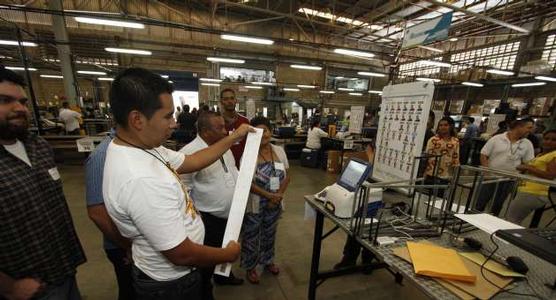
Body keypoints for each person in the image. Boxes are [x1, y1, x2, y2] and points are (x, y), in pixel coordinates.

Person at [102, 68, 252, 299]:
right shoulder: (141, 179)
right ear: (137, 120)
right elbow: (181, 254)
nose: (174, 124)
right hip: (171, 285)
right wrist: (227, 254)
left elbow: (192, 161)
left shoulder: (144, 148)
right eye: (167, 116)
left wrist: (233, 137)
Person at [0, 67, 86, 299]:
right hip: (26, 287)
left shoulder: (38, 146)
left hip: (64, 270)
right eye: (5, 100)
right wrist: (8, 287)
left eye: (23, 101)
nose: (19, 108)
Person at [179, 111, 243, 300]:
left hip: (230, 215)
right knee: (207, 262)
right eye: (220, 127)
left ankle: (223, 276)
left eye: (225, 126)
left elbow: (231, 171)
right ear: (205, 132)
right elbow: (184, 190)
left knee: (226, 250)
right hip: (208, 218)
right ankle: (206, 292)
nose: (226, 131)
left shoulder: (224, 146)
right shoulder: (189, 153)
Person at [85, 131, 135, 300]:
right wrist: (127, 246)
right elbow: (97, 212)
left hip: (139, 244)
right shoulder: (102, 156)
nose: (172, 124)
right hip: (122, 246)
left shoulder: (135, 147)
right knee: (131, 290)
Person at [242, 116, 290, 284]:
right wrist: (269, 196)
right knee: (252, 235)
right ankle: (250, 267)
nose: (264, 135)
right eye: (259, 132)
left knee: (270, 233)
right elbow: (246, 183)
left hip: (275, 201)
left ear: (271, 131)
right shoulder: (248, 154)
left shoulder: (279, 151)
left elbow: (287, 175)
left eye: (266, 131)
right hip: (257, 201)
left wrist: (278, 196)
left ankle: (268, 261)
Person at [476, 119, 535, 216]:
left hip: (509, 180)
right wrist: (486, 172)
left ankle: (490, 224)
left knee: (498, 204)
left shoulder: (527, 144)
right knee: (480, 201)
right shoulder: (497, 138)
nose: (530, 130)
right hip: (490, 178)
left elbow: (529, 162)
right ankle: (471, 221)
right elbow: (484, 154)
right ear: (519, 126)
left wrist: (523, 169)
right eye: (528, 127)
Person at [506, 129, 556, 224]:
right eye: (546, 138)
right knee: (513, 219)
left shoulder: (554, 155)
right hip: (526, 190)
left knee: (511, 220)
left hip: (533, 192)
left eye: (554, 140)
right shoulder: (542, 154)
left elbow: (550, 175)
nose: (549, 141)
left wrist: (528, 167)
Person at [424, 117, 460, 195]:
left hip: (445, 174)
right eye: (440, 125)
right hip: (431, 173)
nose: (442, 127)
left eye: (445, 125)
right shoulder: (433, 139)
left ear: (451, 126)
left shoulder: (455, 141)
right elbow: (426, 156)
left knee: (439, 197)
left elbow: (455, 157)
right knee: (427, 196)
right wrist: (424, 173)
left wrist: (454, 175)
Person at [220, 88, 249, 168]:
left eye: (232, 98)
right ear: (221, 102)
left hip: (242, 166)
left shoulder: (245, 121)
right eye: (226, 99)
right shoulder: (217, 122)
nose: (229, 101)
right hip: (222, 166)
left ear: (236, 100)